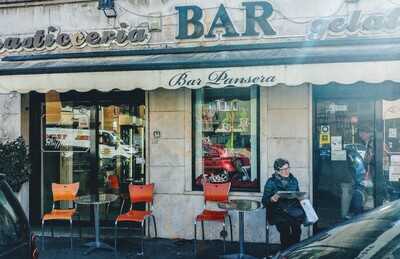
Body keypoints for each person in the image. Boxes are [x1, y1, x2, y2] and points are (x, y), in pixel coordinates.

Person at [262, 158, 304, 250]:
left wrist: (300, 197)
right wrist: (272, 199)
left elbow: (297, 195)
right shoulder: (271, 182)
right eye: (283, 169)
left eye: (288, 168)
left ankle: (294, 252)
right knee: (285, 230)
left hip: (292, 210)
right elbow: (264, 201)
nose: (286, 171)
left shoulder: (294, 180)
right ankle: (286, 253)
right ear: (277, 171)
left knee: (297, 229)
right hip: (278, 212)